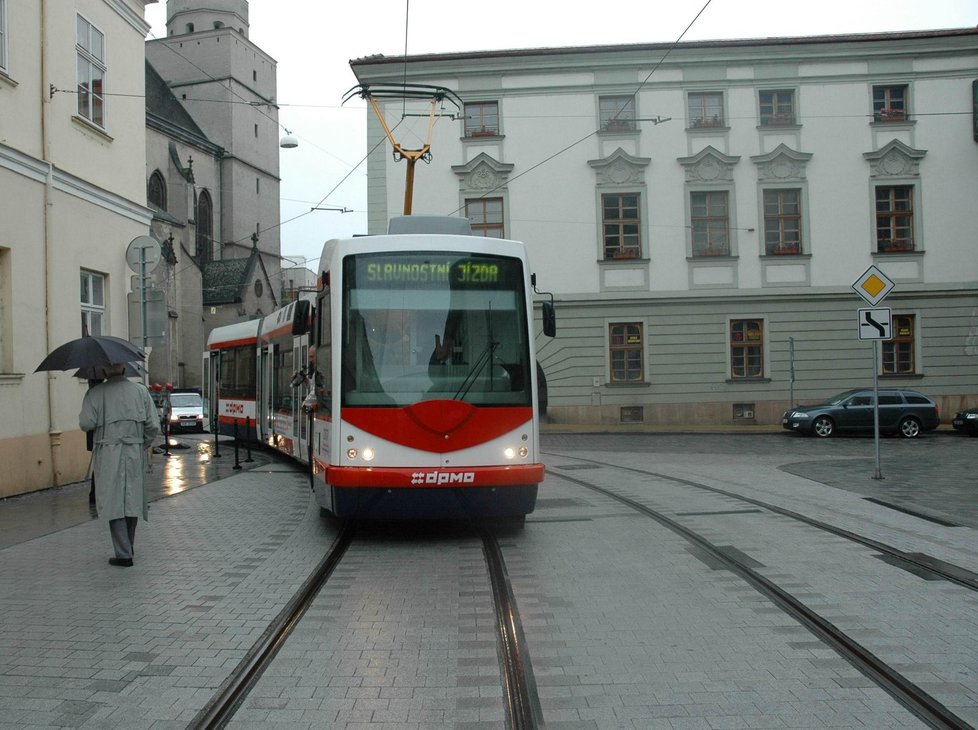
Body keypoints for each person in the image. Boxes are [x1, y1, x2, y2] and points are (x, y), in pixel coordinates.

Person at [79, 363, 160, 567]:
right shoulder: (141, 392)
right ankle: (128, 547)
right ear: (125, 370)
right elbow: (153, 426)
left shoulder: (95, 393)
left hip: (108, 452)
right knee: (131, 499)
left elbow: (85, 423)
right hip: (134, 450)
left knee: (113, 500)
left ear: (104, 371)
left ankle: (123, 553)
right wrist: (142, 443)